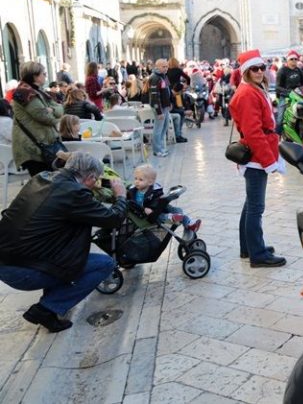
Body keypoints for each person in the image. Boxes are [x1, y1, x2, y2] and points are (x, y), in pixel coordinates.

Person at [0, 152, 127, 332]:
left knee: (65, 253)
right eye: (96, 179)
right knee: (104, 264)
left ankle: (50, 308)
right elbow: (113, 219)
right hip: (24, 271)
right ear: (90, 177)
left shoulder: (41, 177)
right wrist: (121, 196)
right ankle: (46, 309)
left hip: (7, 259)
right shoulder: (74, 193)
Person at [229, 50, 285, 267]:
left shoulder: (252, 90)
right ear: (245, 71)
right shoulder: (247, 94)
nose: (260, 71)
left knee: (250, 204)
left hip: (257, 155)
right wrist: (269, 161)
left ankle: (248, 247)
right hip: (256, 156)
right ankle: (258, 254)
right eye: (254, 68)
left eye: (262, 67)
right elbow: (253, 133)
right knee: (256, 207)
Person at [12, 62, 64, 176]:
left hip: (43, 144)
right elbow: (45, 117)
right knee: (42, 185)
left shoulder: (39, 91)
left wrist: (53, 110)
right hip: (33, 147)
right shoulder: (24, 92)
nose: (46, 75)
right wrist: (59, 119)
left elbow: (60, 108)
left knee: (50, 183)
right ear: (35, 76)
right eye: (44, 73)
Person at [128, 164, 200, 235]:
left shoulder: (155, 190)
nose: (137, 181)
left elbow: (157, 200)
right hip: (149, 215)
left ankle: (188, 222)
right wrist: (145, 210)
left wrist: (158, 203)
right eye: (136, 178)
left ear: (150, 182)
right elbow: (132, 203)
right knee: (161, 216)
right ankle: (174, 218)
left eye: (140, 179)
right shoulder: (133, 191)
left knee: (172, 208)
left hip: (156, 208)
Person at [275, 51, 303, 132]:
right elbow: (277, 87)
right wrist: (288, 92)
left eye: (296, 59)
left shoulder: (299, 70)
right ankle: (277, 136)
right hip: (286, 96)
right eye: (291, 59)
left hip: (299, 96)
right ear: (287, 61)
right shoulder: (282, 71)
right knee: (280, 118)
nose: (294, 60)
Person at [149, 59, 172, 157]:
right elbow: (154, 96)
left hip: (165, 106)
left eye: (167, 66)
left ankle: (161, 147)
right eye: (163, 66)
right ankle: (157, 150)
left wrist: (169, 103)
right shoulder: (155, 78)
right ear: (157, 66)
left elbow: (167, 90)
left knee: (164, 128)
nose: (166, 68)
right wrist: (159, 112)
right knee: (158, 129)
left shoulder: (164, 76)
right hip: (160, 107)